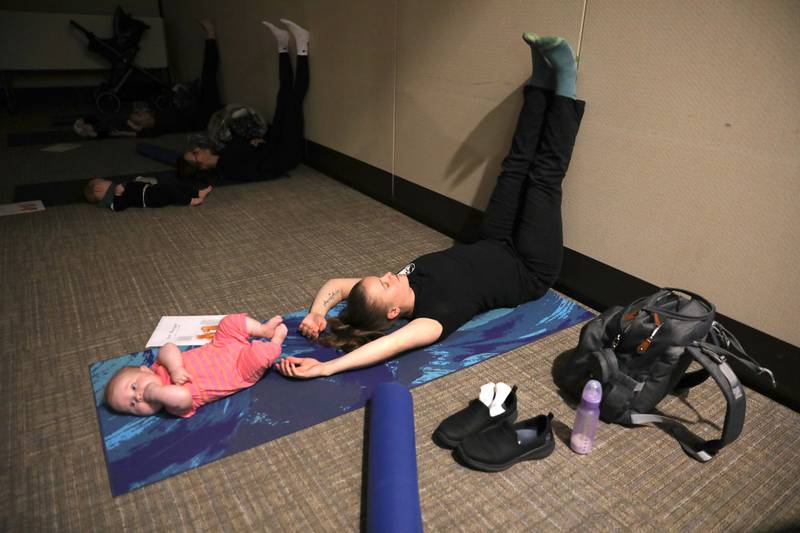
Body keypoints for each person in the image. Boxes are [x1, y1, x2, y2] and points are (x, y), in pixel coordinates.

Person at [277, 34, 585, 379]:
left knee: (514, 167)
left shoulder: (391, 289)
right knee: (543, 178)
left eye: (378, 278)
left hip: (493, 240)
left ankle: (541, 82)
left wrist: (317, 312)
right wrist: (324, 368)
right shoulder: (431, 319)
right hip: (529, 267)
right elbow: (386, 347)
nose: (387, 275)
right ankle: (566, 82)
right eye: (384, 284)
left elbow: (337, 283)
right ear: (394, 312)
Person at [177, 19, 310, 182]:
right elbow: (265, 168)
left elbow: (249, 150)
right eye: (196, 153)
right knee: (294, 101)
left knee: (283, 97)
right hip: (285, 153)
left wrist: (256, 143)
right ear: (202, 165)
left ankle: (282, 45)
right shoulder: (230, 169)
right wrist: (259, 146)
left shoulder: (222, 157)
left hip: (274, 144)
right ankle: (303, 44)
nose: (197, 149)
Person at [105, 313, 288, 417]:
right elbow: (183, 395)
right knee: (259, 356)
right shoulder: (172, 405)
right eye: (132, 405)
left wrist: (175, 368)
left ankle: (263, 330)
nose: (138, 396)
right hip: (238, 369)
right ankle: (276, 341)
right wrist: (152, 392)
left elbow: (169, 348)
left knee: (229, 323)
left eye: (134, 387)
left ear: (144, 369)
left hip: (221, 345)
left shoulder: (159, 366)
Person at [73, 19, 222, 139]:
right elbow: (135, 131)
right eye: (139, 116)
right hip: (208, 113)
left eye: (138, 113)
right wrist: (130, 131)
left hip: (196, 106)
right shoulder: (157, 127)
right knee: (208, 74)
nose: (141, 112)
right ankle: (210, 35)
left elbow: (121, 120)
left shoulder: (155, 118)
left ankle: (92, 125)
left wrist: (92, 123)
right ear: (142, 124)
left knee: (198, 82)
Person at [83, 175, 213, 211]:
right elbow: (119, 207)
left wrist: (138, 180)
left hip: (149, 190)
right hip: (149, 199)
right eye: (104, 181)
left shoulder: (118, 186)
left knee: (174, 185)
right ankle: (190, 201)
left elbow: (132, 185)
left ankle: (197, 192)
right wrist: (117, 195)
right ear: (98, 189)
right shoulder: (112, 201)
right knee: (170, 191)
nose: (108, 181)